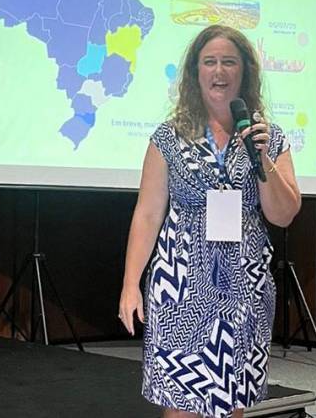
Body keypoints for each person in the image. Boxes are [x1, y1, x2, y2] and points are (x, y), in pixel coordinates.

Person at [118, 25, 301, 418]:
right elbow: (147, 213)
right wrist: (130, 284)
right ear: (195, 72)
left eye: (229, 62)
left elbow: (283, 213)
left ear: (244, 71)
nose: (219, 71)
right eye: (210, 62)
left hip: (244, 285)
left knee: (234, 400)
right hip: (180, 284)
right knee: (181, 401)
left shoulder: (270, 138)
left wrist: (261, 157)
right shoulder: (168, 137)